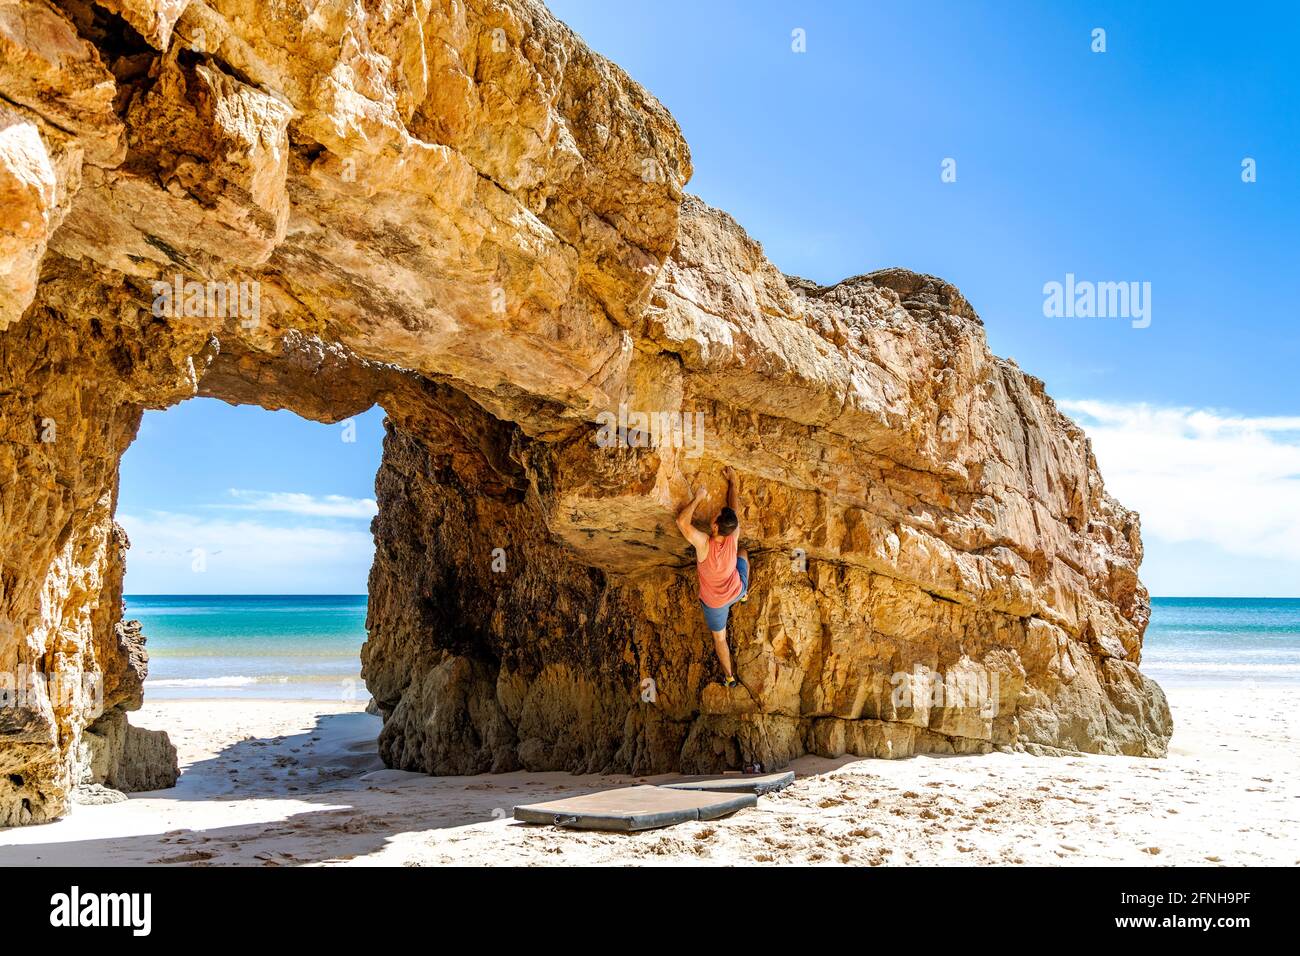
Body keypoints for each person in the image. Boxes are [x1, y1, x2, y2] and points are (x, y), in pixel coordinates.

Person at [675, 466, 749, 688]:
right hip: (736, 590)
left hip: (715, 603)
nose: (714, 512)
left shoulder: (704, 544)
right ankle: (744, 597)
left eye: (716, 515)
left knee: (720, 639)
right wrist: (733, 484)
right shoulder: (732, 535)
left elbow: (682, 523)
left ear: (715, 526)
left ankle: (730, 677)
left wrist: (697, 498)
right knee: (743, 554)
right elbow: (733, 511)